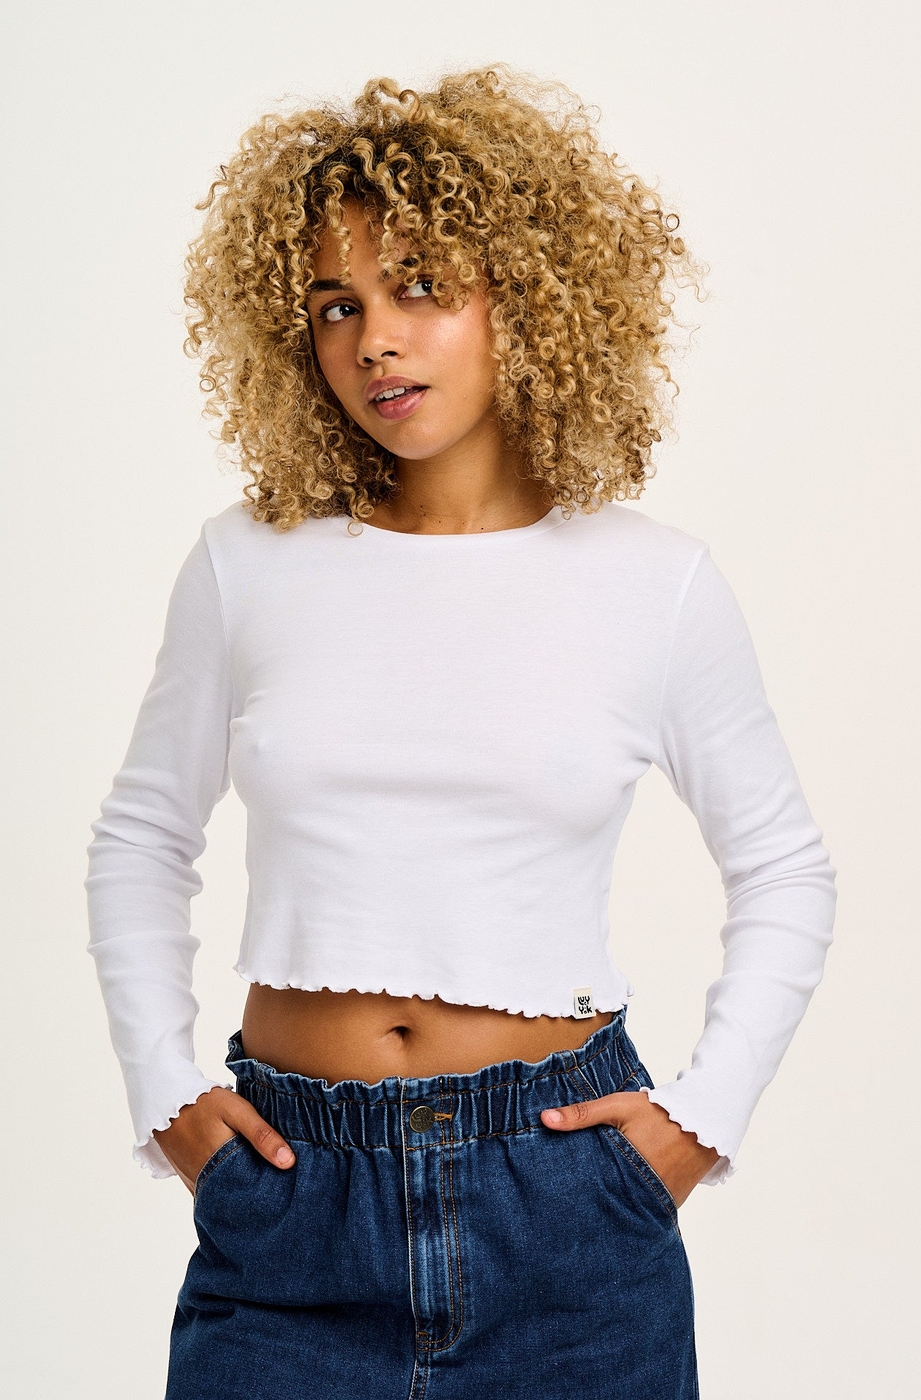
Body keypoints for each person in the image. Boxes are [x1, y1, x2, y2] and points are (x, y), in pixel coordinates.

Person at [84, 65, 837, 1400]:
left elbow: (785, 869)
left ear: (526, 296)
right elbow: (143, 836)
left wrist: (694, 1128)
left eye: (421, 287)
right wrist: (166, 1096)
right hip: (292, 1208)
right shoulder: (247, 564)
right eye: (338, 305)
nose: (376, 340)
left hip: (564, 1210)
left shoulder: (651, 583)